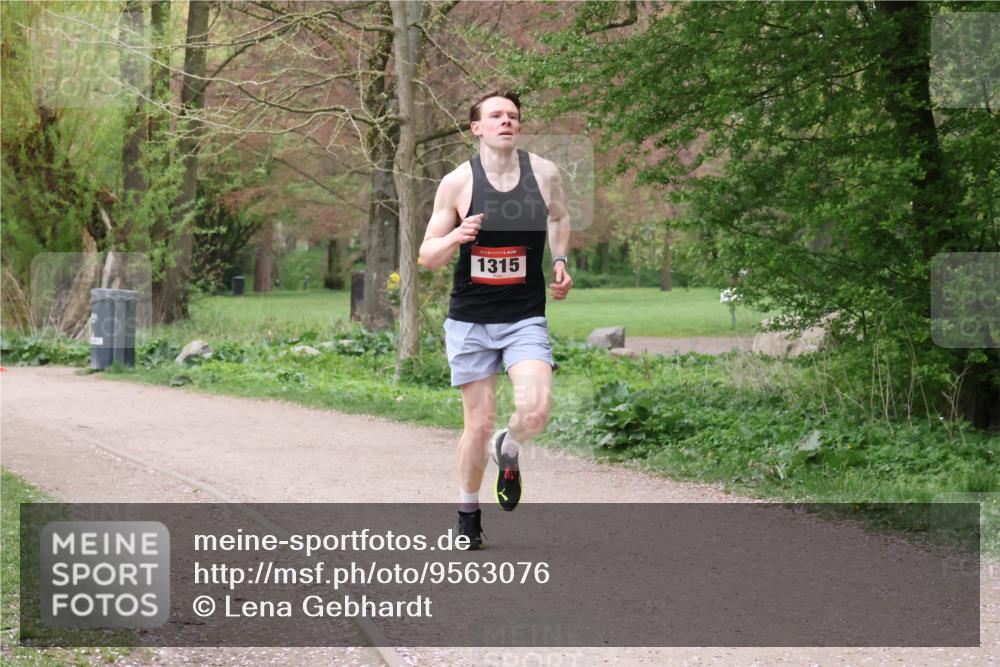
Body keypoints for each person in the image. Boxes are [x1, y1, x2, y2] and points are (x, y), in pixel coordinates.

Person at [418, 89, 573, 550]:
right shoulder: (457, 183)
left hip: (524, 316)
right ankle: (468, 513)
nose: (506, 121)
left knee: (536, 410)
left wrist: (560, 262)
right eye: (496, 115)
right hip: (471, 320)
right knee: (477, 424)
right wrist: (456, 237)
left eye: (513, 115)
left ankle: (511, 444)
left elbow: (560, 218)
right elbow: (427, 255)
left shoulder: (544, 173)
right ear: (477, 127)